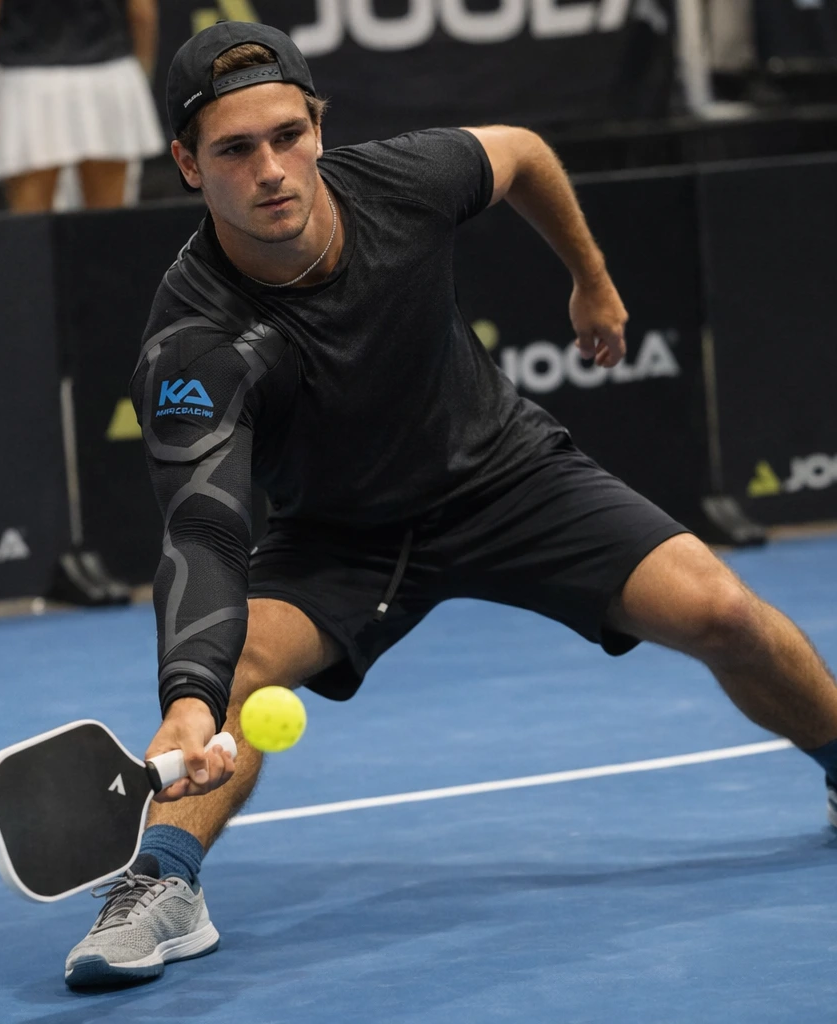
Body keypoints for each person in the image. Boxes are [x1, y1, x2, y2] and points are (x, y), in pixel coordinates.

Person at [63, 21, 837, 989]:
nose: (271, 168)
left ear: (317, 125)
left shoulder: (403, 181)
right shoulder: (194, 343)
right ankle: (161, 882)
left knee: (721, 609)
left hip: (502, 476)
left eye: (288, 135)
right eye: (233, 149)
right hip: (338, 537)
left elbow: (521, 154)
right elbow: (205, 526)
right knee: (234, 677)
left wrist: (589, 282)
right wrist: (185, 700)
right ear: (186, 163)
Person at [0, 0, 163, 212]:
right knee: (107, 227)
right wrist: (142, 73)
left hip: (29, 85)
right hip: (107, 77)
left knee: (31, 230)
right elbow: (142, 10)